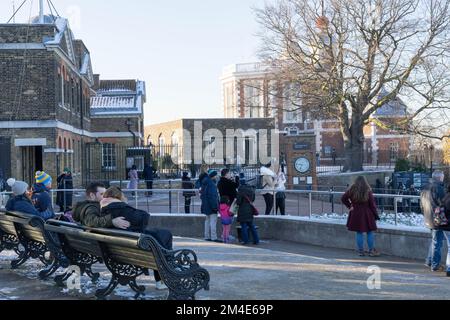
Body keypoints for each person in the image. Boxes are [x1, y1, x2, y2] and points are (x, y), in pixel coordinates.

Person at [73, 183, 172, 290]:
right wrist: (112, 220)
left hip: (114, 249)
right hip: (127, 252)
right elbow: (91, 221)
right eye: (102, 194)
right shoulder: (92, 208)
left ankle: (162, 277)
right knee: (159, 239)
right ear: (92, 196)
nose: (105, 196)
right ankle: (164, 276)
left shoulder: (93, 208)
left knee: (157, 236)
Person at [341, 176, 380, 257]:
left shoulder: (352, 189)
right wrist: (376, 215)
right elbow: (372, 204)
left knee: (359, 232)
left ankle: (361, 251)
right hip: (367, 214)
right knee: (369, 232)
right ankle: (371, 251)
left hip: (355, 213)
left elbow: (343, 198)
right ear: (365, 182)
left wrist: (350, 206)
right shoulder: (368, 190)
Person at [422, 170, 446, 271]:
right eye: (443, 177)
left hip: (428, 217)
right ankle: (435, 265)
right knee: (437, 243)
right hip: (437, 219)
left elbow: (422, 205)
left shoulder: (426, 187)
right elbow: (444, 203)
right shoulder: (439, 188)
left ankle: (429, 261)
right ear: (440, 178)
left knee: (434, 241)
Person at [200, 169, 220, 242]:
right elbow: (213, 197)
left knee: (207, 221)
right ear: (213, 176)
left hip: (206, 205)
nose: (217, 176)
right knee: (213, 222)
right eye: (216, 175)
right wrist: (215, 207)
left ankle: (206, 236)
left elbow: (202, 195)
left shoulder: (204, 183)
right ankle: (214, 237)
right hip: (211, 206)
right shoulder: (211, 184)